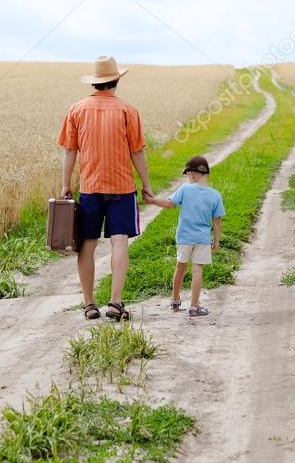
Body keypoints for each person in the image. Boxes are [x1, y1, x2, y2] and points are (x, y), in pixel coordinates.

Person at [58, 56, 154, 322]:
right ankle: (115, 302)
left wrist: (66, 184)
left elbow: (70, 150)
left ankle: (89, 305)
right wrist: (146, 185)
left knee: (87, 244)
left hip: (90, 187)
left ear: (96, 82)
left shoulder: (76, 110)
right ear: (116, 80)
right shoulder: (128, 111)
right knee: (119, 241)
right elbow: (137, 152)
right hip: (122, 187)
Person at [144, 155, 225, 317]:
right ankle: (194, 306)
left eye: (187, 175)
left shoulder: (185, 189)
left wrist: (152, 201)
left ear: (192, 175)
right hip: (202, 239)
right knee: (197, 271)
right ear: (207, 174)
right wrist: (216, 240)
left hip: (184, 237)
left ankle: (175, 299)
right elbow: (217, 221)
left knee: (180, 268)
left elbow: (169, 204)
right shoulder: (215, 195)